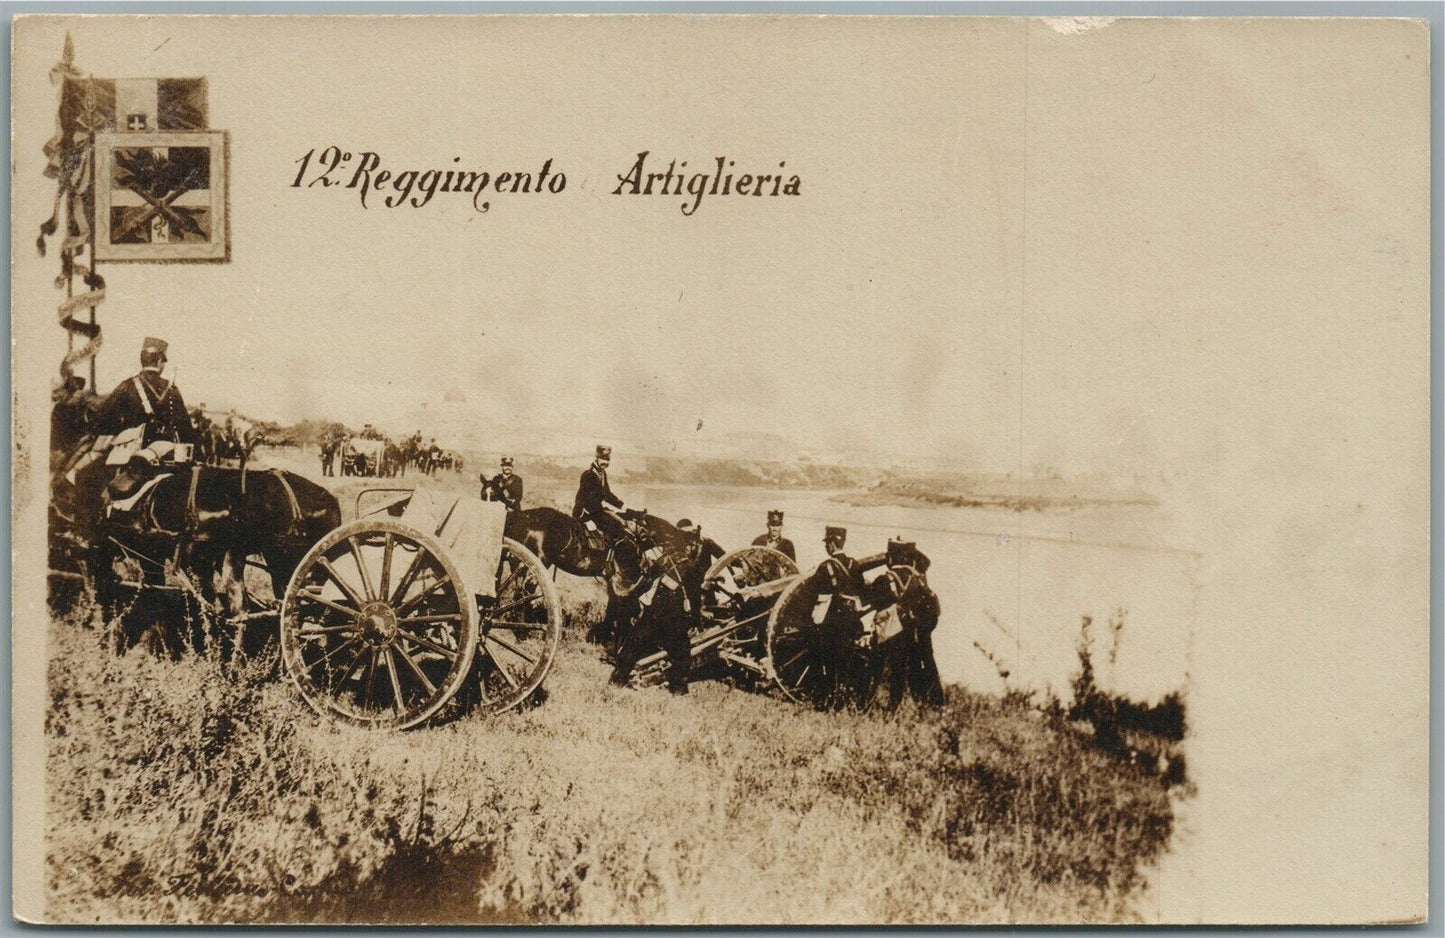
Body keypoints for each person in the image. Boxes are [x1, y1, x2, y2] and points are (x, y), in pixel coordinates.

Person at [869, 539, 946, 709]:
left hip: (894, 634)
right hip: (917, 635)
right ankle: (930, 705)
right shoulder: (919, 580)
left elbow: (873, 600)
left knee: (888, 670)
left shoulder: (886, 578)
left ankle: (887, 706)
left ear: (892, 558)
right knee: (919, 669)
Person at [807, 525, 871, 709]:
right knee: (844, 659)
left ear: (832, 544)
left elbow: (812, 592)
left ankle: (826, 699)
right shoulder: (854, 565)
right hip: (851, 620)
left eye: (827, 543)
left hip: (832, 620)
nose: (826, 547)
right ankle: (842, 699)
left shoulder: (825, 566)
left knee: (828, 659)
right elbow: (861, 589)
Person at [573, 444, 627, 543]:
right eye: (603, 459)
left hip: (596, 511)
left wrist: (623, 507)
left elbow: (607, 495)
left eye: (607, 460)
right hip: (585, 513)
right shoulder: (589, 474)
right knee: (614, 529)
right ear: (597, 458)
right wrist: (585, 519)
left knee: (618, 525)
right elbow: (582, 499)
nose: (605, 462)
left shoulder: (602, 474)